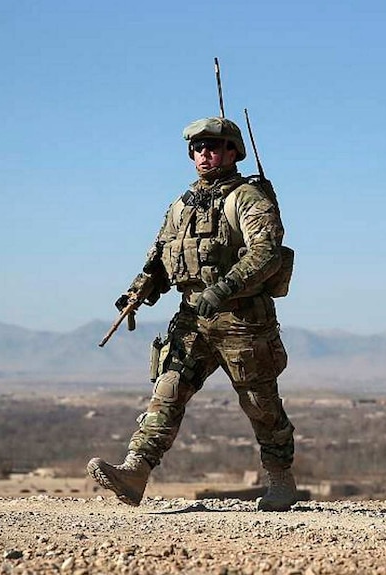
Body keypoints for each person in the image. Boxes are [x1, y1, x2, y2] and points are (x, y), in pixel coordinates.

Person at [87, 116, 298, 511]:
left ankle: (281, 479)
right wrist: (139, 291)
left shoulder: (248, 199)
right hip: (191, 319)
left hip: (243, 320)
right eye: (199, 148)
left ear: (234, 152)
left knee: (261, 404)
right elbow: (161, 258)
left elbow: (266, 253)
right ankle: (135, 472)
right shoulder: (182, 205)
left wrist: (222, 289)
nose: (206, 154)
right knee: (167, 392)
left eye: (215, 147)